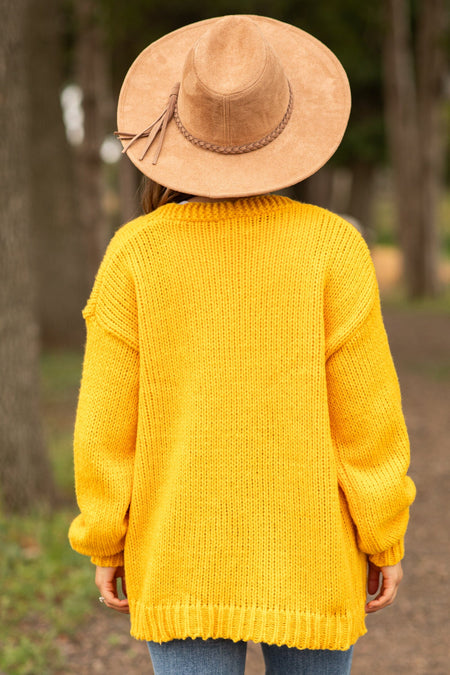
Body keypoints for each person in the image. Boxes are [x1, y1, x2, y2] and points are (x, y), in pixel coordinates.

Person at [68, 14, 416, 675]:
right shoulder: (332, 246)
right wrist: (383, 534)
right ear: (285, 128)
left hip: (179, 553)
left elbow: (104, 425)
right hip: (311, 553)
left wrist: (105, 537)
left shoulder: (135, 252)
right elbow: (367, 423)